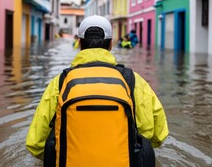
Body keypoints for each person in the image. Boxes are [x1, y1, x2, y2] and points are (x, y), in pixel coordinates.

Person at [26, 15, 169, 165]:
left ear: (80, 44)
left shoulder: (59, 83)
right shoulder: (133, 81)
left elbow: (35, 144)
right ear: (111, 45)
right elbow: (158, 135)